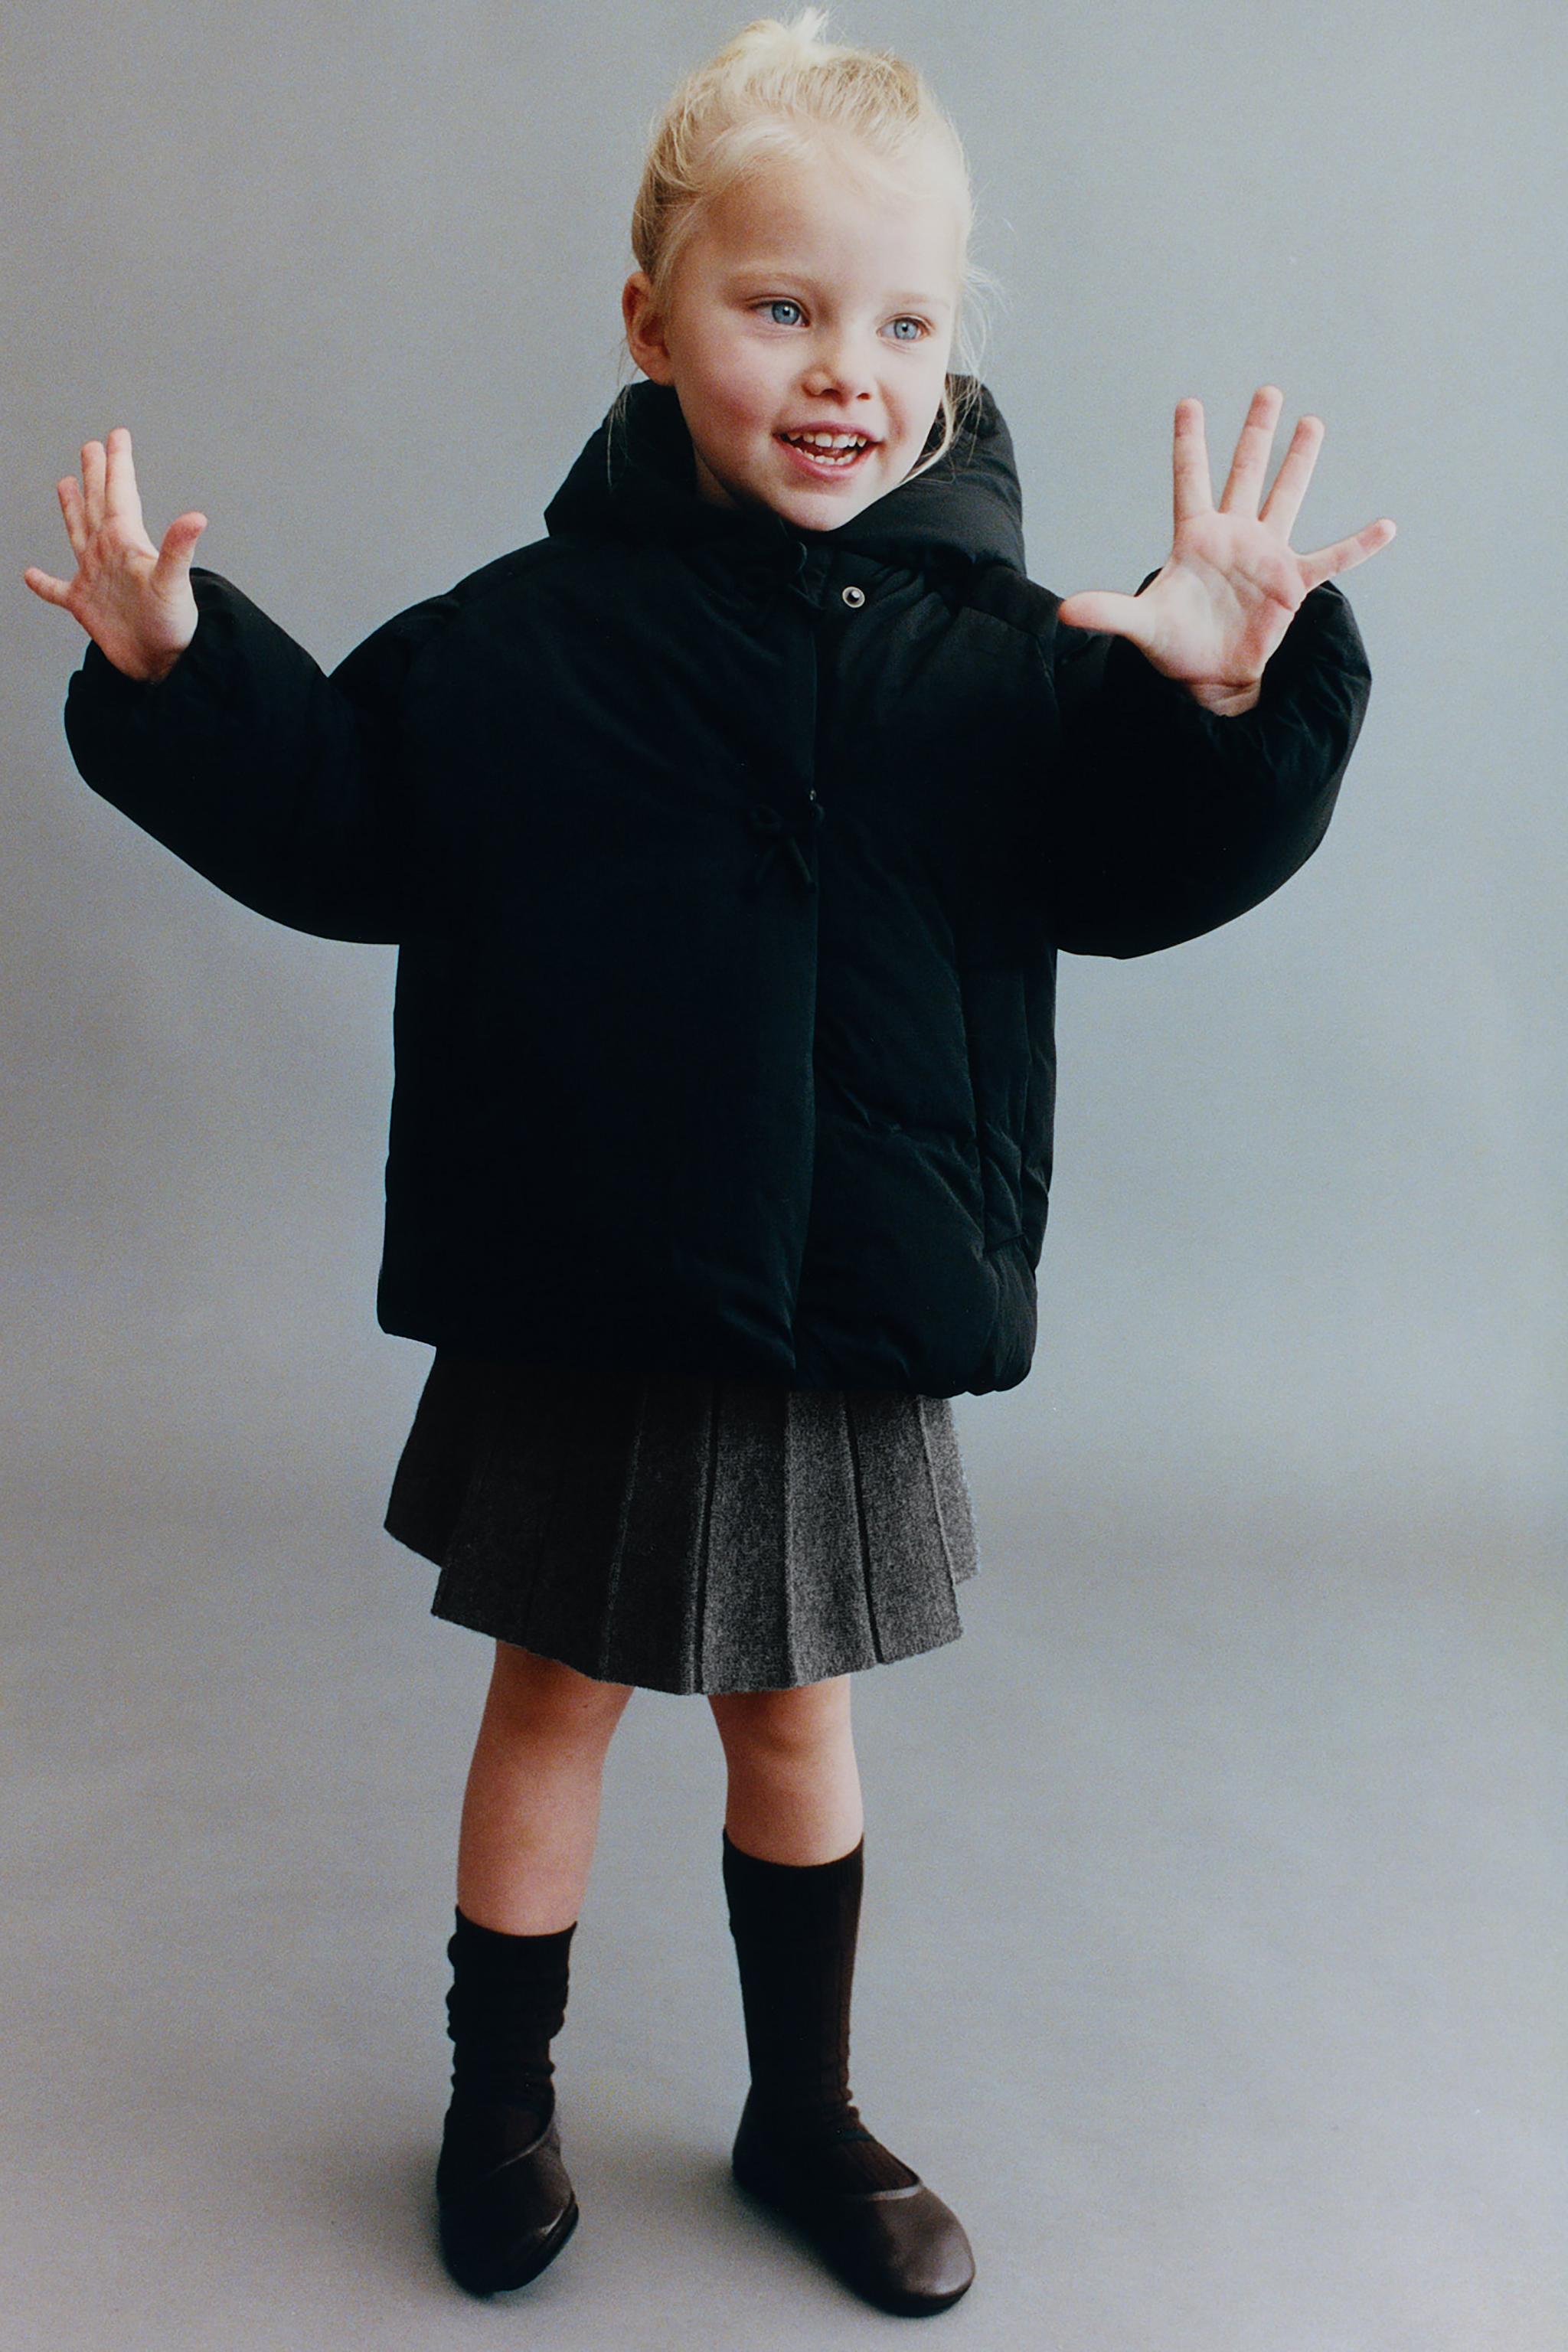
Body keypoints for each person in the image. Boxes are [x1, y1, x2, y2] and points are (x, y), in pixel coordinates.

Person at [26, 5, 1393, 2320]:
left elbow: (1149, 871)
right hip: (587, 1279)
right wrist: (180, 675)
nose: (845, 367)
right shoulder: (526, 644)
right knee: (551, 1694)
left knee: (797, 1709)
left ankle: (801, 2111)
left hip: (849, 1289)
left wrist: (1222, 697)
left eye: (903, 320)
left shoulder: (1021, 658)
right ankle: (499, 2102)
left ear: (956, 352)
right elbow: (345, 817)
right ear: (650, 322)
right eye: (781, 307)